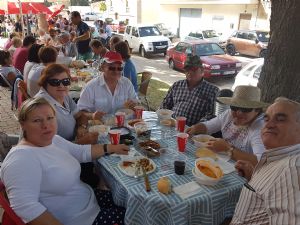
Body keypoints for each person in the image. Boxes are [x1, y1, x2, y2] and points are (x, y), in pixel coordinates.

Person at [0, 97, 128, 225]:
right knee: (136, 217)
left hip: (88, 200)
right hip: (79, 219)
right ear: (23, 125)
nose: (46, 125)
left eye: (50, 118)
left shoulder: (53, 140)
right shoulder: (21, 158)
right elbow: (25, 206)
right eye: (37, 120)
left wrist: (111, 147)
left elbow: (81, 152)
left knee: (132, 203)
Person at [231, 97, 300, 225]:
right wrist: (254, 177)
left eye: (280, 119)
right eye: (266, 119)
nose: (268, 125)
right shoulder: (279, 158)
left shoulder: (292, 171)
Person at [187, 85, 268, 165]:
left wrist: (228, 148)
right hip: (224, 162)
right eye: (234, 107)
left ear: (257, 110)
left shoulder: (260, 127)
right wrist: (195, 128)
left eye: (245, 109)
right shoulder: (228, 114)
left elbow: (260, 161)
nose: (239, 113)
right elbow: (207, 126)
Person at [35, 63, 97, 143]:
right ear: (44, 83)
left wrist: (81, 127)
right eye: (55, 82)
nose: (61, 86)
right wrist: (80, 142)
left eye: (65, 81)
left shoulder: (63, 96)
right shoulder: (41, 106)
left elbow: (80, 116)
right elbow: (47, 148)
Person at [161, 55, 219, 126]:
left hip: (193, 131)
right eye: (187, 69)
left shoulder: (212, 91)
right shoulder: (177, 85)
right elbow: (165, 105)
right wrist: (165, 117)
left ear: (202, 71)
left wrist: (196, 128)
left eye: (194, 69)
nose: (190, 72)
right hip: (171, 125)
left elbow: (211, 115)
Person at [78, 51, 138, 118]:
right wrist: (92, 115)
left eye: (119, 68)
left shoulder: (127, 84)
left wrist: (133, 105)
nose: (116, 71)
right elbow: (80, 112)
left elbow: (135, 104)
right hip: (100, 127)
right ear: (103, 67)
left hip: (123, 125)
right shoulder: (90, 87)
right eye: (111, 68)